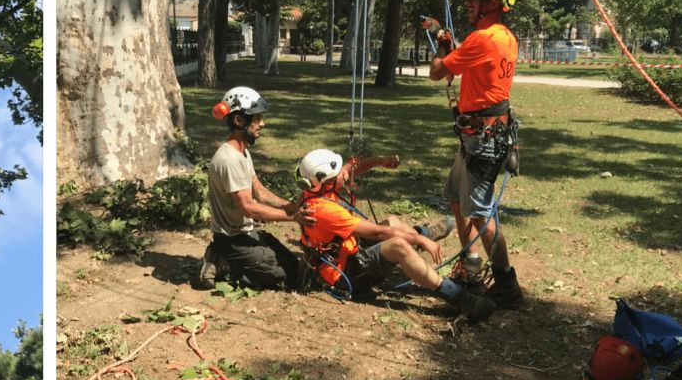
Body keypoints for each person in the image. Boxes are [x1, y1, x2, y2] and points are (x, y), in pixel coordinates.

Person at [296, 148, 495, 322]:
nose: (345, 174)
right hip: (345, 277)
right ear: (327, 182)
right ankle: (459, 297)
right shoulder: (325, 211)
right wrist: (420, 241)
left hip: (348, 249)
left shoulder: (316, 190)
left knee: (392, 220)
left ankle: (424, 233)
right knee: (397, 245)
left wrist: (379, 161)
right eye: (338, 174)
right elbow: (379, 232)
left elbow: (350, 168)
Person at [428, 0, 524, 308]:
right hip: (481, 136)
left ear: (494, 3)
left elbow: (436, 73)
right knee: (456, 197)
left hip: (482, 140)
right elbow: (472, 69)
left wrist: (441, 43)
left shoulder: (484, 38)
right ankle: (471, 269)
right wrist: (452, 46)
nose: (468, 3)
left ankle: (507, 283)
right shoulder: (505, 37)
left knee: (481, 214)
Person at [198, 86, 315, 291]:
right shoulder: (229, 160)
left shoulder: (242, 151)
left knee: (293, 266)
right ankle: (222, 260)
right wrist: (293, 217)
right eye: (257, 118)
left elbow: (259, 191)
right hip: (232, 239)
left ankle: (222, 257)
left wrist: (291, 205)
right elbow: (249, 208)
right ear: (239, 120)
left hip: (247, 232)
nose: (263, 123)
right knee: (283, 277)